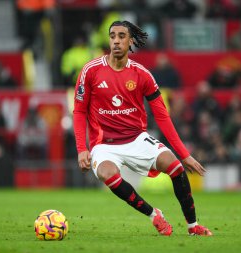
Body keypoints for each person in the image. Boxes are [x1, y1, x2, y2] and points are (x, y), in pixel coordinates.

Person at [73, 20, 212, 236]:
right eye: (112, 36)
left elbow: (162, 116)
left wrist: (184, 154)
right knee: (106, 174)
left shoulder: (142, 74)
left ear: (130, 42)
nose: (116, 41)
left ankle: (193, 226)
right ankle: (153, 214)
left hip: (137, 139)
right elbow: (79, 111)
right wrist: (82, 148)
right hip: (104, 144)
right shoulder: (90, 71)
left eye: (121, 36)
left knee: (175, 167)